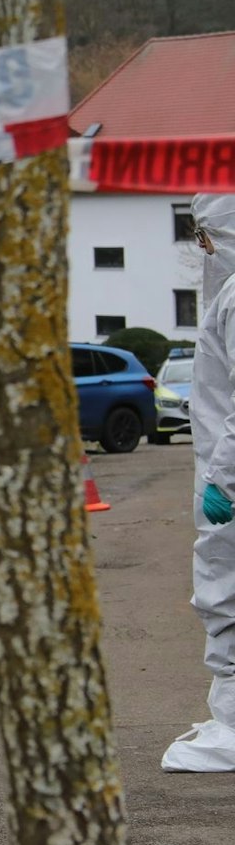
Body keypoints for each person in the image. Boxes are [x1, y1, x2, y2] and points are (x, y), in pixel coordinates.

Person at [163, 196, 235, 772]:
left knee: (224, 590)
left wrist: (225, 481)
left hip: (227, 483)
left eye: (206, 234)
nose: (202, 247)